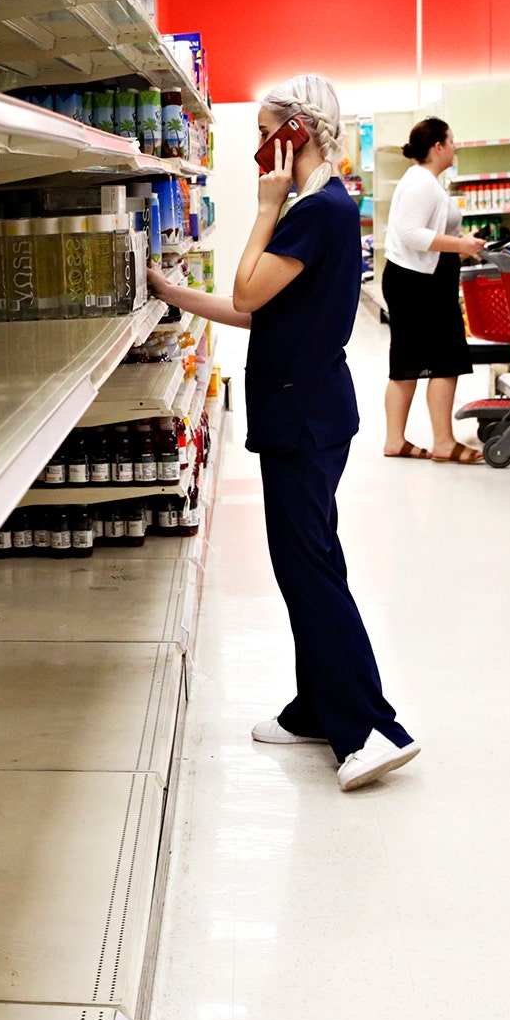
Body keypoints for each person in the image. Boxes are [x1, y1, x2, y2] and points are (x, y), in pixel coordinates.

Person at [146, 74, 419, 791]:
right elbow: (261, 311)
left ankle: (370, 728)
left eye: (263, 130)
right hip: (312, 407)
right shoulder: (330, 207)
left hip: (303, 415)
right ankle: (315, 710)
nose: (255, 147)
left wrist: (264, 211)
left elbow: (245, 290)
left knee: (310, 568)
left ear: (293, 133)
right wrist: (176, 295)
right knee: (306, 561)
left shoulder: (308, 212)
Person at [381, 117, 489, 463]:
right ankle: (443, 442)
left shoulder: (423, 181)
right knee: (445, 358)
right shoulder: (422, 184)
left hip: (417, 278)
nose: (456, 147)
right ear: (438, 146)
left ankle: (396, 440)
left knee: (408, 361)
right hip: (418, 283)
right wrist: (461, 243)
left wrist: (459, 248)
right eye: (452, 141)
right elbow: (411, 233)